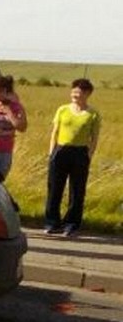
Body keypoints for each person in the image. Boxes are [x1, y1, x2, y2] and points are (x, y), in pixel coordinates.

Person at [44, 78, 101, 237]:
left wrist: (89, 155)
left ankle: (71, 224)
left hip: (80, 152)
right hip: (60, 150)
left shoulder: (93, 114)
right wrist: (51, 152)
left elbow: (94, 137)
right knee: (55, 188)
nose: (75, 94)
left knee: (77, 190)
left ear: (88, 93)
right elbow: (55, 131)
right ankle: (52, 222)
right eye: (74, 90)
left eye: (80, 91)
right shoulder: (62, 109)